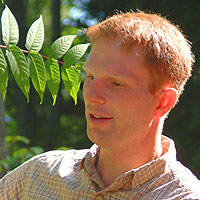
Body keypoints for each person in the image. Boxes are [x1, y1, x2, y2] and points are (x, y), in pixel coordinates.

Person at [1, 11, 200, 200]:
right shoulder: (37, 176)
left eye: (116, 83)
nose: (91, 95)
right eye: (90, 77)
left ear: (162, 102)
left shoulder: (183, 195)